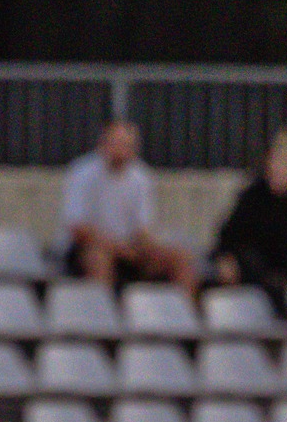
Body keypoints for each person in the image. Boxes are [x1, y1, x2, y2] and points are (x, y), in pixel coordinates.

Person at [59, 122, 198, 298]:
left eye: (126, 145)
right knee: (98, 258)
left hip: (130, 248)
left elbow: (143, 227)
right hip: (88, 248)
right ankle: (103, 310)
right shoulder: (82, 172)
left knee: (180, 258)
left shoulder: (141, 176)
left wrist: (147, 248)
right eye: (115, 143)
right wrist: (120, 248)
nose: (120, 150)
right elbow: (79, 229)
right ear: (103, 144)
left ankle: (184, 310)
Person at [212, 125, 287, 321]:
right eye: (277, 162)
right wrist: (225, 258)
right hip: (258, 269)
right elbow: (228, 236)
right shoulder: (253, 197)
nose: (279, 169)